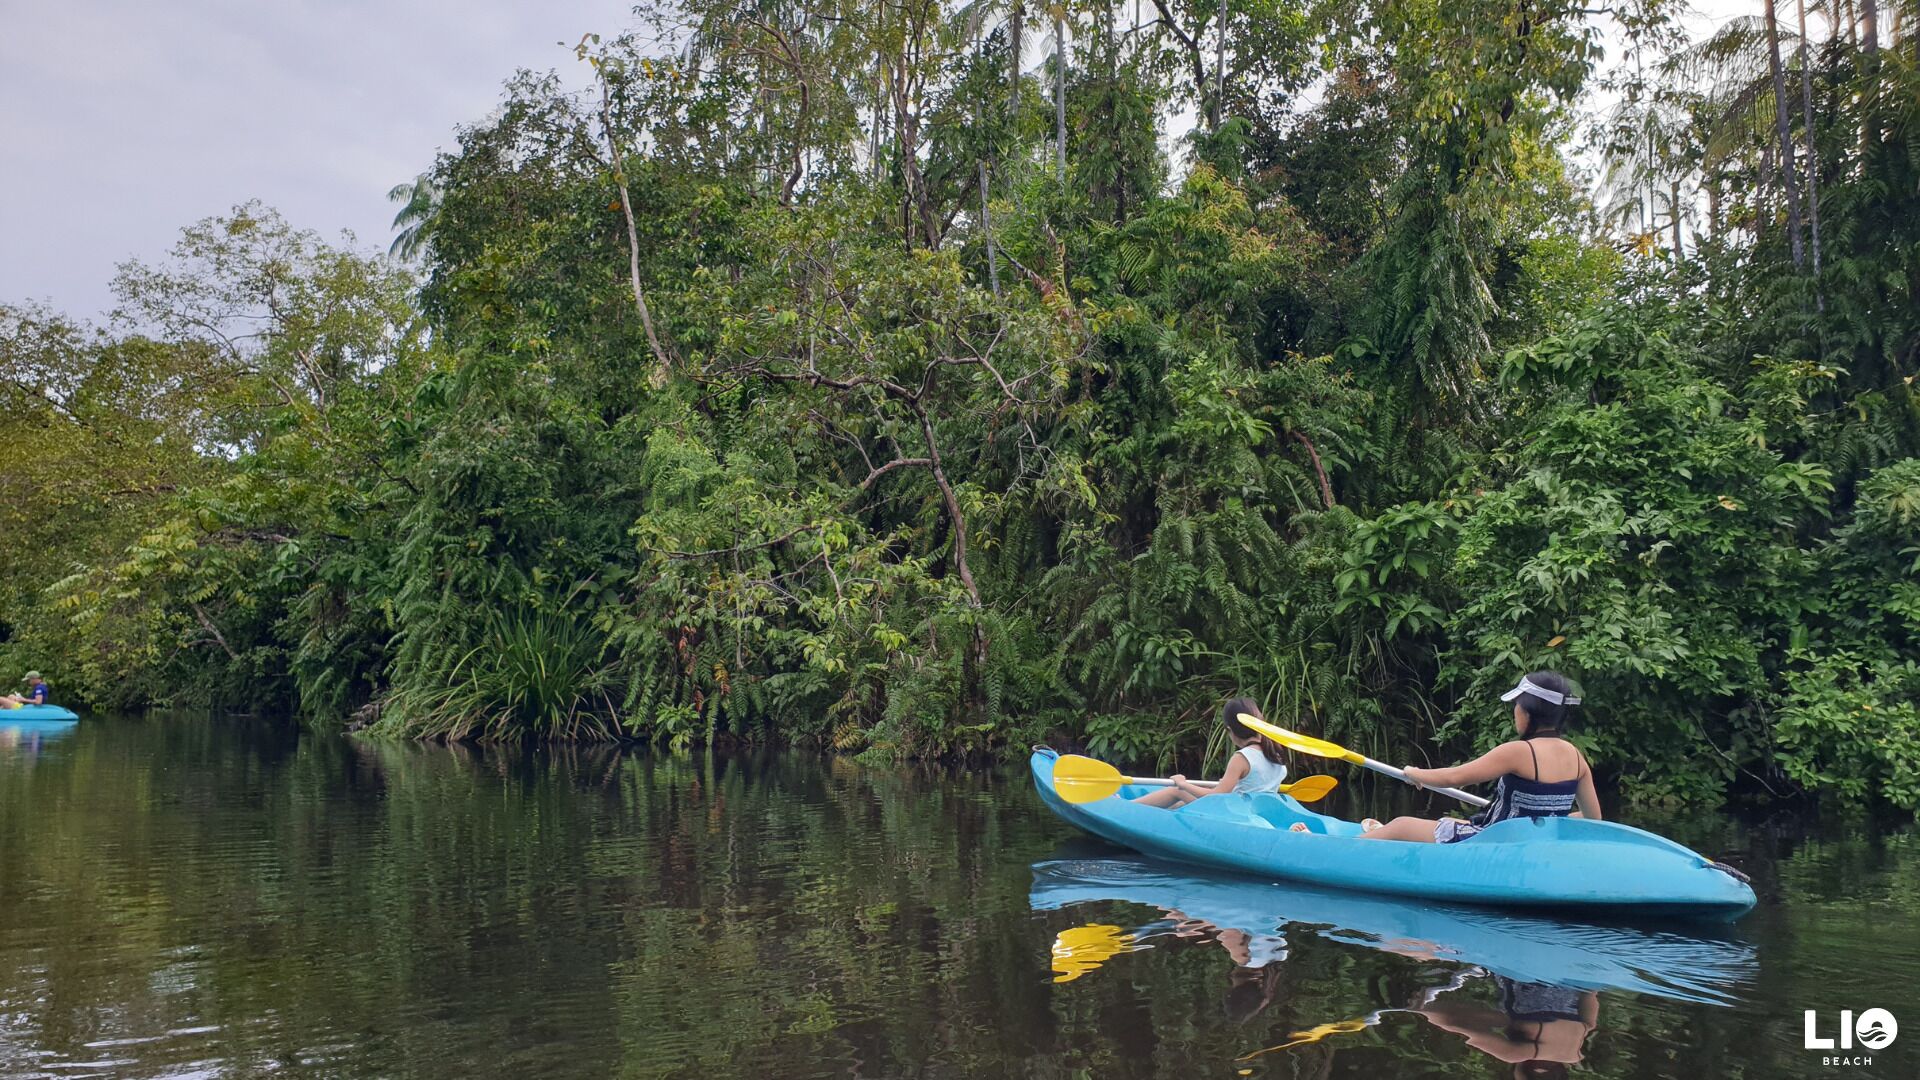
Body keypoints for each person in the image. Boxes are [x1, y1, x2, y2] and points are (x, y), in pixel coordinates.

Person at [1361, 671, 1601, 843]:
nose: (1515, 711)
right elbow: (1592, 818)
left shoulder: (1518, 752)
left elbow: (1455, 777)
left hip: (1494, 842)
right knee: (1459, 822)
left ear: (1529, 713)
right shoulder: (1576, 757)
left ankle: (1352, 845)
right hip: (1530, 842)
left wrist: (1415, 773)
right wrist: (1550, 818)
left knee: (1401, 825)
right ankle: (1370, 835)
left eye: (1517, 705)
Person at [1133, 698, 1289, 808]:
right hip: (1256, 810)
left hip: (1235, 812)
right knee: (1180, 804)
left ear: (1230, 730)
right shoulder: (1275, 752)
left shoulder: (1242, 758)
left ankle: (1124, 807)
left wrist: (1184, 784)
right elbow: (1253, 784)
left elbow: (1218, 795)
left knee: (1177, 792)